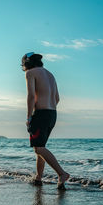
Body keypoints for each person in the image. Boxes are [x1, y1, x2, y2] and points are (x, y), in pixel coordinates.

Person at [21, 52, 69, 189]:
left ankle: (62, 174)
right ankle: (38, 178)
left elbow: (30, 96)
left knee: (39, 148)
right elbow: (57, 98)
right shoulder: (50, 74)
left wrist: (29, 116)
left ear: (26, 63)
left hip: (41, 114)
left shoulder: (30, 73)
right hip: (52, 114)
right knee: (40, 147)